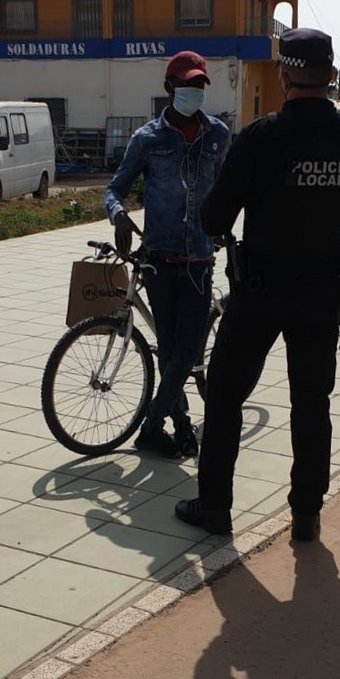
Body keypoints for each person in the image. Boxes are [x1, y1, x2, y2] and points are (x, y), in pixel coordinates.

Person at [174, 28, 340, 541]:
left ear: (284, 75)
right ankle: (306, 517)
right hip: (321, 293)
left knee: (225, 398)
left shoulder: (259, 138)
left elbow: (214, 216)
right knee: (312, 405)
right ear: (332, 75)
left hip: (259, 294)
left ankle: (216, 509)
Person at [105, 51, 229, 458]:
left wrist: (225, 226)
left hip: (199, 261)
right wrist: (119, 215)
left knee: (185, 349)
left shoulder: (217, 135)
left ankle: (152, 426)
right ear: (169, 88)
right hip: (158, 260)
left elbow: (227, 189)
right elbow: (114, 189)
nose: (193, 92)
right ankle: (179, 426)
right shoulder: (147, 140)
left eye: (199, 86)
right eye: (186, 85)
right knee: (171, 352)